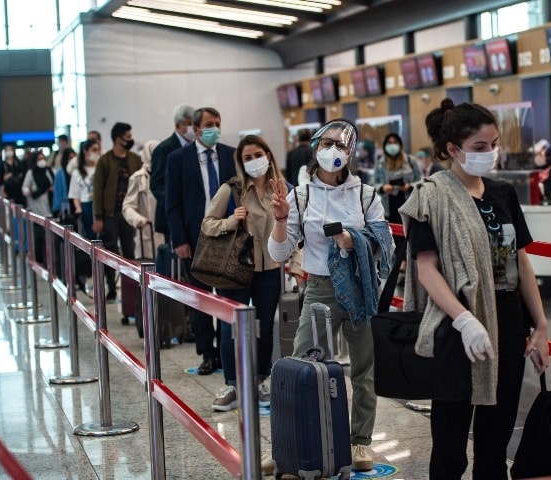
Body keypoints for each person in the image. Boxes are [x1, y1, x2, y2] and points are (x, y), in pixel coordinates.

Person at [398, 99, 550, 479]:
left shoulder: (502, 193)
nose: (490, 154)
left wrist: (542, 326)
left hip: (508, 323)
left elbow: (521, 260)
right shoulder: (431, 195)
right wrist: (464, 320)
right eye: (480, 147)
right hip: (457, 327)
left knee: (495, 439)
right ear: (453, 149)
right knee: (450, 441)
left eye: (494, 144)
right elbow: (426, 268)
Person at [268, 118, 394, 472]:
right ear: (316, 147)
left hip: (359, 286)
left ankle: (360, 441)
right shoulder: (301, 194)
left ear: (351, 154)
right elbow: (279, 253)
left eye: (342, 145)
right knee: (301, 363)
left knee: (363, 369)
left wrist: (354, 241)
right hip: (319, 287)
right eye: (328, 144)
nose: (333, 151)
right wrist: (280, 220)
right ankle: (288, 441)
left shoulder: (365, 194)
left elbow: (387, 243)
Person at [202, 135, 303, 411]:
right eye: (247, 158)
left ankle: (260, 380)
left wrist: (295, 266)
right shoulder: (231, 190)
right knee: (228, 326)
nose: (253, 161)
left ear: (268, 155)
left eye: (257, 154)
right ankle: (232, 383)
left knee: (265, 326)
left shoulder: (286, 190)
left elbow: (297, 231)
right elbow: (207, 225)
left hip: (270, 268)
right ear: (240, 162)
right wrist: (230, 221)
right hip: (235, 268)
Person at [166, 107, 236, 375]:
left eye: (218, 123)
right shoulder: (178, 159)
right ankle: (208, 353)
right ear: (195, 129)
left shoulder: (230, 154)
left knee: (228, 296)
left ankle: (228, 350)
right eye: (209, 124)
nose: (215, 128)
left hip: (229, 236)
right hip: (195, 238)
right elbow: (172, 204)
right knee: (202, 299)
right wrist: (179, 239)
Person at [92, 122, 143, 300]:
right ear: (118, 138)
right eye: (127, 137)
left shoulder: (135, 159)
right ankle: (111, 288)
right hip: (110, 214)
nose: (130, 140)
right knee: (110, 252)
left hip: (129, 213)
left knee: (130, 252)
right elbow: (98, 190)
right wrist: (98, 217)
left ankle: (131, 292)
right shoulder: (104, 161)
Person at [150, 104, 195, 243]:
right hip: (172, 217)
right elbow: (157, 184)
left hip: (192, 216)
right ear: (178, 126)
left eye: (195, 123)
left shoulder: (195, 147)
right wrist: (175, 206)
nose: (193, 128)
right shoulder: (164, 149)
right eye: (189, 124)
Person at [122, 140, 164, 259]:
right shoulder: (138, 178)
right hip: (146, 234)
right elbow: (127, 207)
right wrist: (138, 220)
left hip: (166, 237)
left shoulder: (168, 175)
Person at [372, 133, 421, 226]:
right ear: (385, 146)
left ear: (400, 145)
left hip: (408, 205)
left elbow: (421, 181)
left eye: (395, 142)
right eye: (389, 143)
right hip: (388, 208)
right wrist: (382, 188)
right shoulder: (380, 163)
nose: (392, 145)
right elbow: (373, 183)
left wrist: (409, 186)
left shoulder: (411, 161)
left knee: (408, 236)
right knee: (392, 236)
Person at [22, 150, 55, 264]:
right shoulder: (31, 173)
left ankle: (49, 258)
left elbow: (53, 184)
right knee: (37, 236)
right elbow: (25, 188)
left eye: (43, 158)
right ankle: (38, 258)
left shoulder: (49, 171)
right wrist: (30, 192)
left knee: (49, 236)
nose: (42, 161)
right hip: (36, 207)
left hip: (48, 207)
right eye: (39, 159)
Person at [69, 139, 101, 238]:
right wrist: (78, 208)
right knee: (90, 235)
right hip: (87, 206)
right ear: (85, 151)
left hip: (101, 205)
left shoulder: (101, 169)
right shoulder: (77, 172)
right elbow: (75, 195)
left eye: (98, 150)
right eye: (93, 150)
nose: (96, 153)